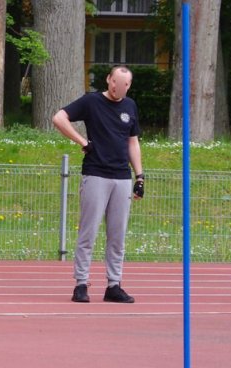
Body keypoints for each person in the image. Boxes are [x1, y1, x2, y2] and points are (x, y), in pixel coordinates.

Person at [52, 65, 144, 305]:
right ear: (108, 80)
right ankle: (81, 283)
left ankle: (114, 284)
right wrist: (81, 140)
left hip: (122, 177)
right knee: (88, 232)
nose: (117, 88)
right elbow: (59, 118)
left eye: (123, 85)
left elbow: (133, 143)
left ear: (129, 86)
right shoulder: (92, 102)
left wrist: (140, 176)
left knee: (117, 235)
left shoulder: (130, 106)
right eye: (114, 82)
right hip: (96, 174)